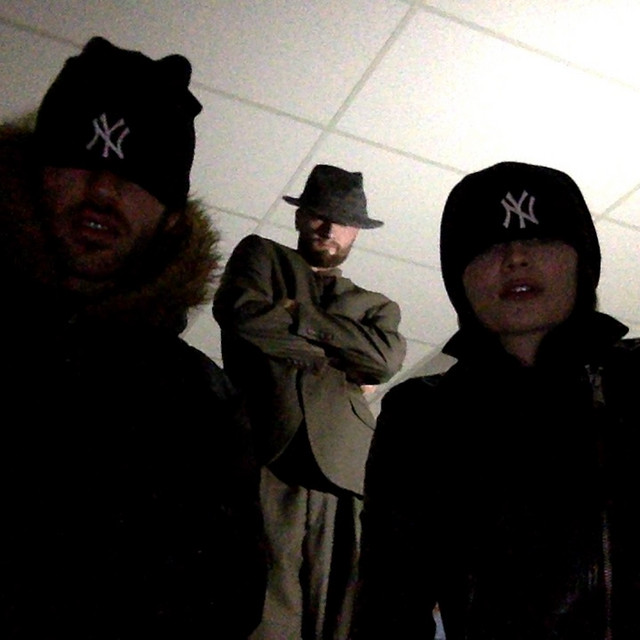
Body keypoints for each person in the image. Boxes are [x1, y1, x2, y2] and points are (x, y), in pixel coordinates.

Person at [0, 37, 266, 639]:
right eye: (80, 156)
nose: (103, 188)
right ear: (34, 170)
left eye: (136, 173)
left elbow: (226, 599)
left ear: (172, 216)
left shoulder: (200, 400)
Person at [352, 161, 640, 639]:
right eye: (488, 245)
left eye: (540, 238)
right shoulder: (422, 417)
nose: (515, 257)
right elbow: (389, 603)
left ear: (582, 260)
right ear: (459, 278)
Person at [213, 164, 406, 639]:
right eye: (320, 214)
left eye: (343, 221)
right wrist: (342, 358)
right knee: (261, 609)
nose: (329, 228)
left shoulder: (377, 305)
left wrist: (297, 316)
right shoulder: (262, 256)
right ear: (301, 217)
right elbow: (243, 315)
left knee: (343, 617)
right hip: (267, 454)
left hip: (345, 470)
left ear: (357, 232)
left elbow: (383, 360)